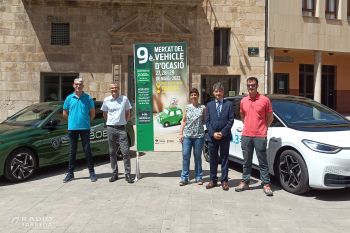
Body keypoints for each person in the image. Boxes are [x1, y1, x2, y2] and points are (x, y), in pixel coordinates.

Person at [235, 77, 274, 196]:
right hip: (246, 135)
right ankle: (245, 182)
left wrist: (262, 128)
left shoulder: (265, 100)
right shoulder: (243, 101)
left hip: (260, 135)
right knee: (246, 160)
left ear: (257, 86)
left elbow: (270, 117)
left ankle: (266, 184)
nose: (250, 87)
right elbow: (243, 117)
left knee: (262, 161)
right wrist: (249, 126)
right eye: (248, 85)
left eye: (252, 85)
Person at [62, 78, 97, 182]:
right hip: (72, 129)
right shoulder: (69, 98)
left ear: (83, 86)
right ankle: (70, 173)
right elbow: (64, 113)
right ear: (73, 85)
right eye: (76, 84)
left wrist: (86, 122)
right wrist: (72, 121)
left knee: (87, 150)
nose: (78, 86)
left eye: (80, 84)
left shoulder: (88, 98)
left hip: (85, 128)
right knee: (72, 151)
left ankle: (92, 172)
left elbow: (93, 113)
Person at [101, 82, 134, 183]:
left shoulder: (124, 99)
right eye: (112, 88)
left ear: (118, 88)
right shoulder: (106, 100)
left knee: (125, 152)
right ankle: (115, 173)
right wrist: (110, 123)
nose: (114, 89)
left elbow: (128, 113)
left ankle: (127, 174)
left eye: (115, 88)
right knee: (112, 152)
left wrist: (124, 122)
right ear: (110, 89)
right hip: (111, 128)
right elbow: (104, 114)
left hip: (121, 129)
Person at [205, 82, 234, 191]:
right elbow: (207, 121)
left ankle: (224, 181)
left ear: (223, 92)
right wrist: (213, 133)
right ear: (213, 92)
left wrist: (222, 132)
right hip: (212, 137)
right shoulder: (209, 105)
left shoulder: (229, 104)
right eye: (216, 91)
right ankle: (213, 180)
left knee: (225, 158)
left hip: (224, 136)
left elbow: (231, 120)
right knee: (212, 159)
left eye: (220, 91)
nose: (218, 93)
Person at [179, 88, 206, 186]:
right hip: (187, 136)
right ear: (190, 97)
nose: (193, 96)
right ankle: (184, 178)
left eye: (195, 94)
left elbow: (204, 120)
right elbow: (183, 120)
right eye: (192, 95)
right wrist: (181, 133)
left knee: (198, 157)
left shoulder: (203, 107)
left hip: (199, 136)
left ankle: (199, 177)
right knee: (186, 156)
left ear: (198, 96)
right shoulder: (186, 107)